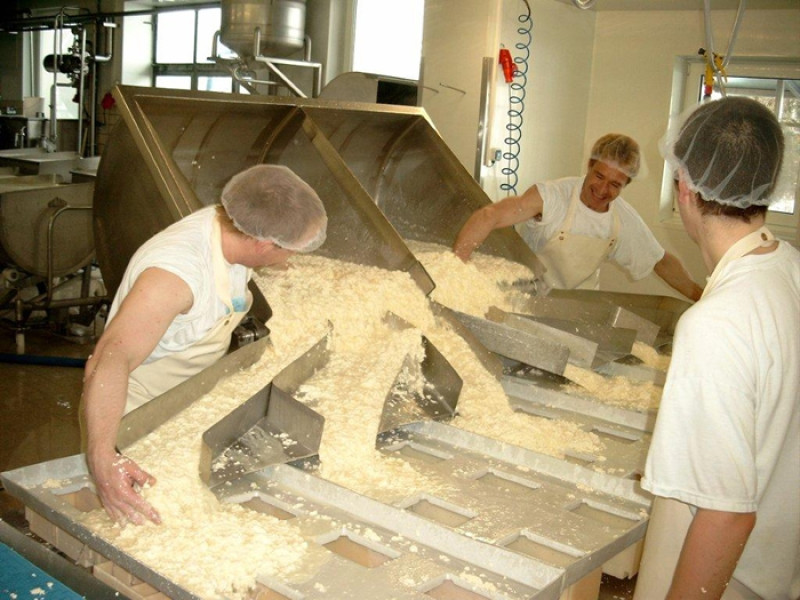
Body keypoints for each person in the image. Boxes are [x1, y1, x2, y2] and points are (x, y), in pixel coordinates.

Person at [81, 164, 328, 526]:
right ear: (262, 243)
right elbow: (108, 360)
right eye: (288, 251)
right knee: (144, 528)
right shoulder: (175, 277)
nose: (289, 260)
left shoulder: (230, 224)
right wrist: (103, 458)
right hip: (136, 417)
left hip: (186, 402)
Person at [634, 97, 799, 599]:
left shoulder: (714, 324)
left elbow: (726, 517)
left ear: (684, 187)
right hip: (780, 563)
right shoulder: (789, 268)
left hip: (729, 578)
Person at [453, 133, 703, 301]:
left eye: (615, 185)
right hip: (523, 298)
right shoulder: (552, 196)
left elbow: (660, 261)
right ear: (589, 166)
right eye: (599, 176)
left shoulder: (623, 221)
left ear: (626, 184)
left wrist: (701, 297)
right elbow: (490, 215)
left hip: (576, 307)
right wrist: (455, 265)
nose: (603, 190)